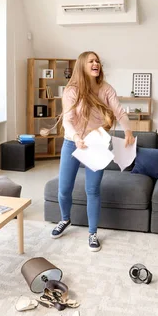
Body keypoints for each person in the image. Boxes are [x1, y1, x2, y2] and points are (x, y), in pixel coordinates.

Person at [46, 51, 135, 252]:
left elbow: (120, 112)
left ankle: (93, 233)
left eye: (97, 61)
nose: (96, 64)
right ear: (82, 66)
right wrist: (76, 137)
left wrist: (128, 131)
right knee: (64, 188)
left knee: (93, 190)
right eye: (91, 61)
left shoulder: (106, 89)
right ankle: (64, 219)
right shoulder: (72, 91)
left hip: (96, 144)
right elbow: (67, 120)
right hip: (72, 142)